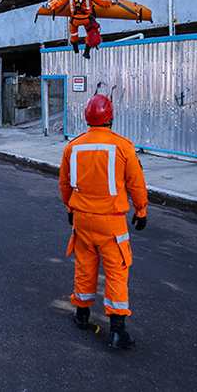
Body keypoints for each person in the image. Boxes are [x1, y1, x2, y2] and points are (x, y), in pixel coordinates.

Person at [59, 94, 148, 349]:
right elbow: (136, 183)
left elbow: (64, 184)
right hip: (111, 223)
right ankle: (117, 331)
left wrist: (69, 208)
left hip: (81, 220)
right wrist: (140, 211)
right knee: (116, 273)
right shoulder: (122, 147)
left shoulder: (72, 146)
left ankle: (82, 314)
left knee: (85, 266)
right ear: (110, 117)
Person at [43, 0, 112, 59]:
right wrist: (110, 2)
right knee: (90, 33)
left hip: (74, 20)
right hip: (87, 19)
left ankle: (75, 47)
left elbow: (60, 3)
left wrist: (50, 6)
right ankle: (87, 52)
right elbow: (102, 3)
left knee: (73, 33)